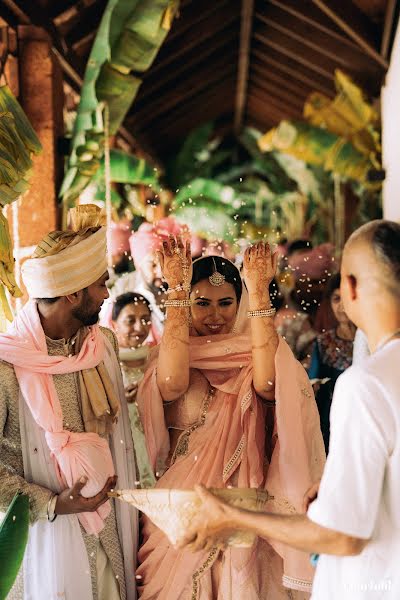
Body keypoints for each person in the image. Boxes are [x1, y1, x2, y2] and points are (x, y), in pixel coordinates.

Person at [179, 220, 400, 600]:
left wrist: (232, 516)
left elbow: (342, 537)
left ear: (348, 287)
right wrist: (335, 490)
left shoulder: (365, 385)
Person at [136, 235, 325, 599]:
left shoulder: (254, 354)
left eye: (226, 303)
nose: (215, 314)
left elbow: (268, 384)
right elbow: (173, 383)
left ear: (239, 305)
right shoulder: (170, 356)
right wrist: (176, 287)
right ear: (186, 303)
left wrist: (258, 291)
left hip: (244, 502)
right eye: (202, 303)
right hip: (182, 503)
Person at [0, 205, 137, 600]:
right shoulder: (7, 365)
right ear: (73, 292)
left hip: (110, 532)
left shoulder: (102, 345)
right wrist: (54, 503)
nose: (107, 293)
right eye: (100, 284)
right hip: (43, 541)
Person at [111, 292, 155, 488]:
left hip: (156, 442)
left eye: (145, 319)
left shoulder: (157, 358)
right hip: (122, 448)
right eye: (130, 320)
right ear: (114, 324)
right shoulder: (106, 363)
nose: (139, 327)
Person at [308, 273, 355, 452]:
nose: (341, 306)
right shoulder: (323, 342)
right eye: (336, 299)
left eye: (346, 298)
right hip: (333, 418)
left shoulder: (370, 337)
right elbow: (312, 382)